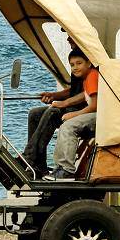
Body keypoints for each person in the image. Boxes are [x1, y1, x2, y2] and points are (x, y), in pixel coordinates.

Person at [21, 37, 85, 178]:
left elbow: (88, 93)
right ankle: (38, 166)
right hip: (74, 105)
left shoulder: (89, 61)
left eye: (70, 35)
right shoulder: (77, 59)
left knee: (53, 112)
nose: (67, 38)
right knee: (35, 113)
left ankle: (29, 157)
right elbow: (74, 90)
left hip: (83, 110)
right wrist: (54, 95)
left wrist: (64, 103)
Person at [47, 50, 99, 181]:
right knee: (66, 125)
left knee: (69, 126)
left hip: (102, 116)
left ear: (89, 63)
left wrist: (73, 115)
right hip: (97, 114)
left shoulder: (92, 76)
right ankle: (60, 167)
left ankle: (66, 170)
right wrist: (63, 103)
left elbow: (95, 106)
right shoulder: (87, 78)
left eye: (79, 63)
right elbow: (83, 96)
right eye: (72, 65)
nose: (75, 67)